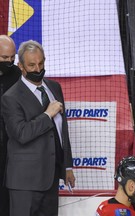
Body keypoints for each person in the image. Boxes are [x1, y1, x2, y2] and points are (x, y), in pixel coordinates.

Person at [1, 40, 75, 216]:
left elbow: (61, 131)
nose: (37, 69)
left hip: (51, 178)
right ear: (21, 66)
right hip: (24, 183)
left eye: (41, 63)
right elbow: (21, 133)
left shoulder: (54, 87)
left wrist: (67, 167)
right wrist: (47, 114)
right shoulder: (10, 97)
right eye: (32, 65)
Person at [0, 35, 21, 216]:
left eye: (12, 58)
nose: (9, 61)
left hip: (11, 146)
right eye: (4, 58)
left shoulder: (18, 75)